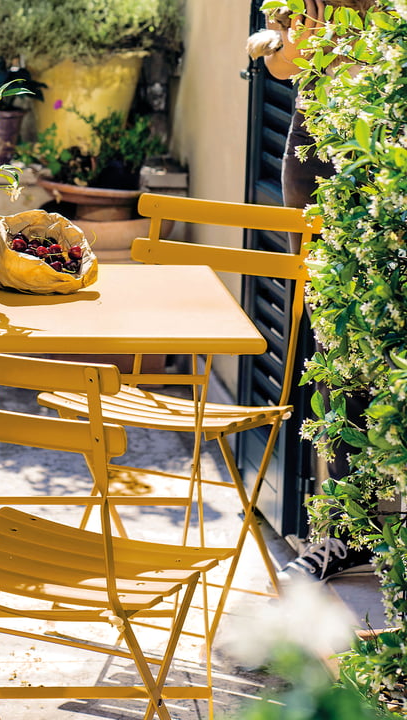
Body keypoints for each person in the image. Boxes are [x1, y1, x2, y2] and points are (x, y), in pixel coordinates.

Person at [259, 0, 374, 582]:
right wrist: (290, 38)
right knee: (334, 348)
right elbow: (279, 63)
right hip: (313, 159)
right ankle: (347, 533)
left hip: (378, 158)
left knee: (376, 340)